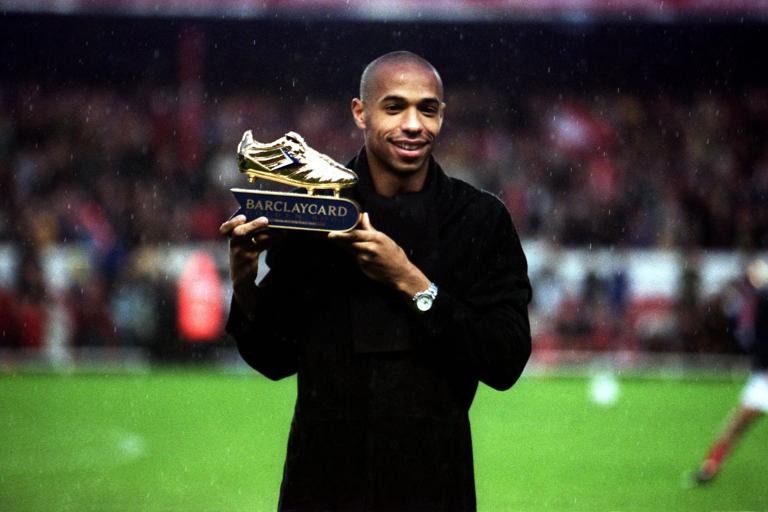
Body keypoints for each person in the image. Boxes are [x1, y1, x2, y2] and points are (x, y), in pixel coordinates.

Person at [220, 51, 532, 511]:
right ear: (360, 112)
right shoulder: (313, 212)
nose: (413, 124)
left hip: (433, 487)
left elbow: (504, 361)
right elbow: (274, 358)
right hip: (322, 487)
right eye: (394, 107)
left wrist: (410, 280)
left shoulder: (479, 220)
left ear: (442, 116)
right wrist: (245, 279)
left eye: (427, 109)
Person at [692, 257, 768, 484]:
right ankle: (710, 465)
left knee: (737, 425)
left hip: (764, 375)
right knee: (737, 424)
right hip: (763, 377)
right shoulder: (758, 298)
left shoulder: (761, 298)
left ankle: (710, 465)